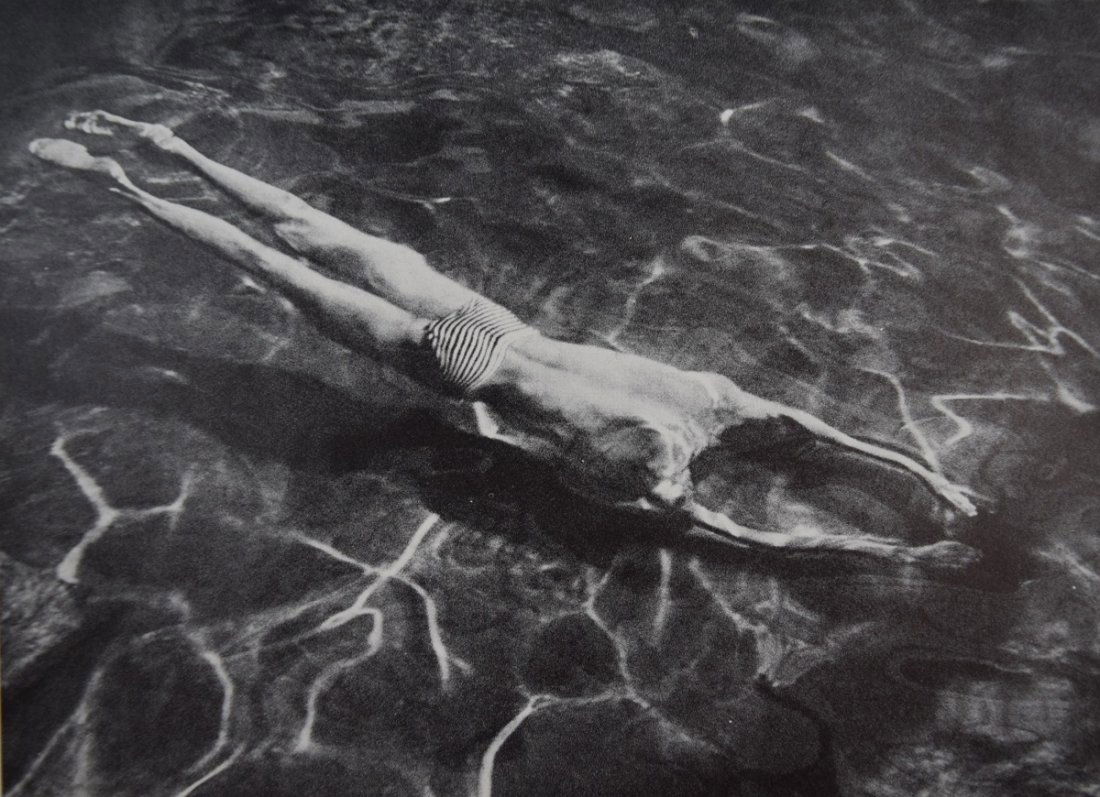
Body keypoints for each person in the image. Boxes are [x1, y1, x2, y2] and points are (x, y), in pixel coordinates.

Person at [30, 111, 981, 570]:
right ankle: (127, 179)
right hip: (458, 360)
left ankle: (167, 152)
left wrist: (928, 482)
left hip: (484, 319)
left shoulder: (718, 402)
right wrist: (896, 543)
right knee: (281, 264)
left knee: (310, 234)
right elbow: (770, 534)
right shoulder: (660, 474)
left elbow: (819, 444)